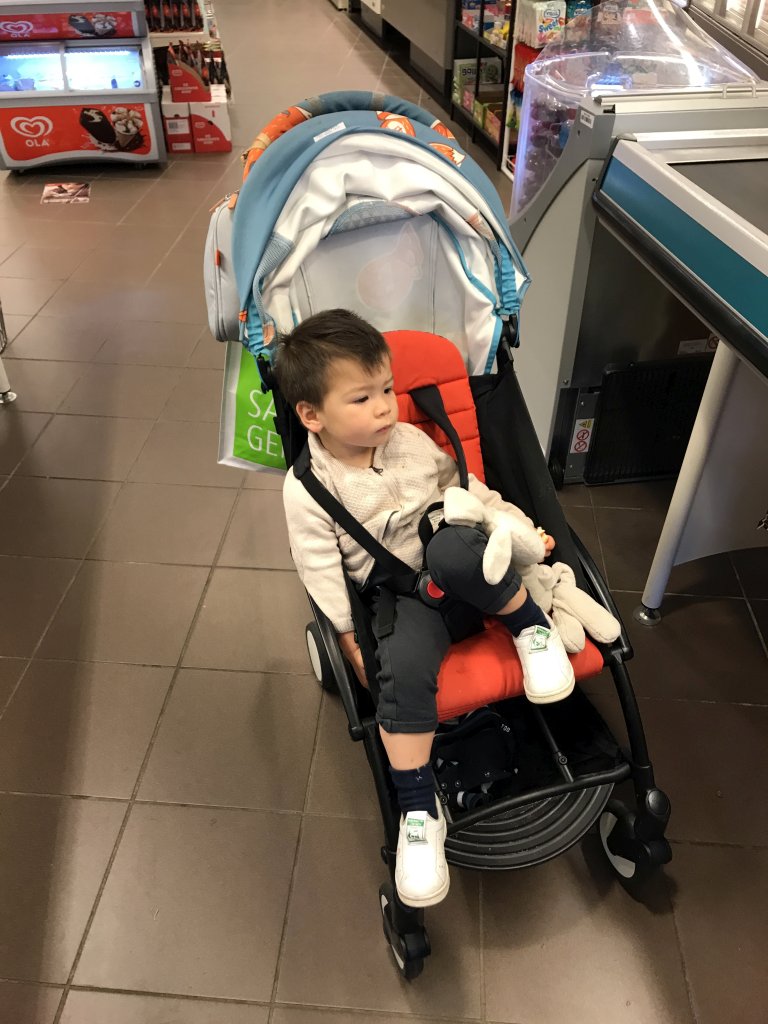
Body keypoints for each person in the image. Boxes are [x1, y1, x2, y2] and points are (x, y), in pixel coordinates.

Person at [275, 309, 575, 909]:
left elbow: (467, 492)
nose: (386, 407)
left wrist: (516, 529)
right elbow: (320, 570)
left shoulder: (411, 442)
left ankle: (530, 630)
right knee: (402, 671)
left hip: (468, 576)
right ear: (311, 415)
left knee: (455, 541)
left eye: (387, 390)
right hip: (406, 599)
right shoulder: (309, 486)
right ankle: (418, 809)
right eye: (362, 399)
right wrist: (348, 637)